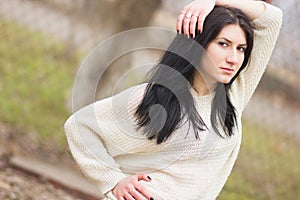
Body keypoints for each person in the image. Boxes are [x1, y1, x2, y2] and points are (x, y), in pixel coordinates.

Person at [64, 0, 282, 199]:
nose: (233, 58)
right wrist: (113, 180)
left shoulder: (233, 96)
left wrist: (211, 0)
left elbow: (272, 20)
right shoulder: (154, 95)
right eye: (223, 44)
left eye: (241, 49)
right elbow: (79, 126)